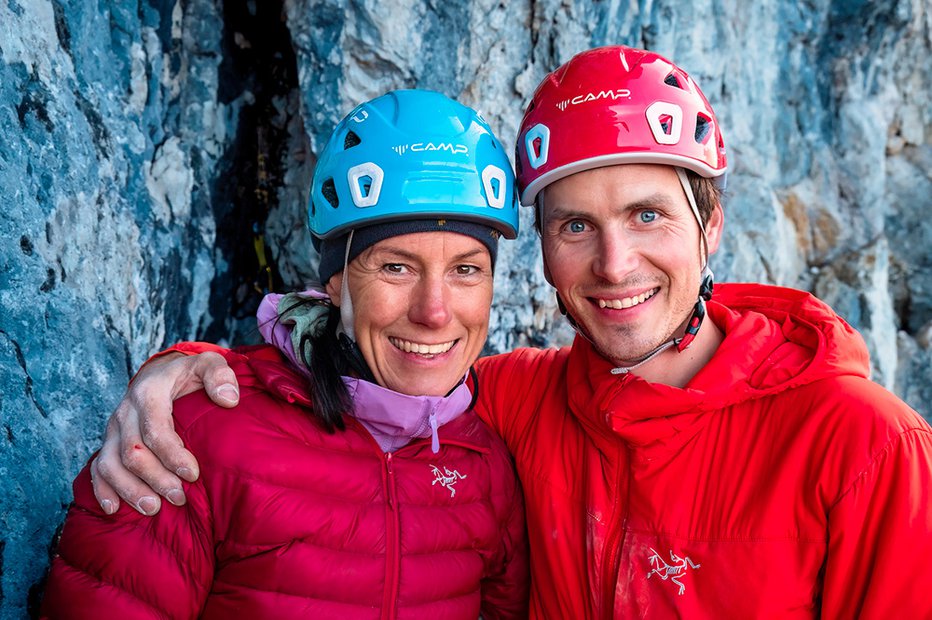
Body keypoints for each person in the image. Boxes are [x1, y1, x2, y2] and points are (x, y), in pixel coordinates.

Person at [88, 46, 932, 617]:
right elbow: (372, 382)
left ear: (711, 224)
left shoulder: (862, 446)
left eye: (647, 215)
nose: (614, 262)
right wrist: (187, 370)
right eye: (573, 227)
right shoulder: (516, 405)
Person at [41, 90, 530, 618]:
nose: (434, 312)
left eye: (466, 269)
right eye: (395, 266)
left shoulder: (485, 469)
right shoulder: (196, 435)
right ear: (337, 283)